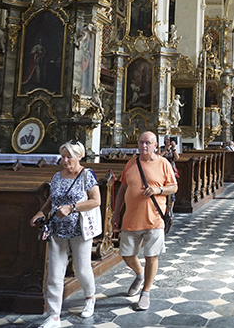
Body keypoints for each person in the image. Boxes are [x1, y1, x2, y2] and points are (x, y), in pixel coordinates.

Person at [29, 140, 100, 327]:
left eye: (69, 156)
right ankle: (54, 316)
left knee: (82, 268)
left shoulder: (87, 175)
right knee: (54, 273)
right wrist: (41, 211)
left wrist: (72, 208)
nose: (65, 160)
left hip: (79, 230)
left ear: (79, 156)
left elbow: (96, 201)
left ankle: (90, 298)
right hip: (57, 229)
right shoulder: (58, 176)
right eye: (63, 156)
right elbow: (52, 198)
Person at [111, 131, 177, 312]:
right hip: (131, 218)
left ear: (156, 145)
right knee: (126, 254)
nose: (143, 146)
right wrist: (116, 214)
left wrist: (158, 190)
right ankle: (139, 275)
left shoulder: (163, 163)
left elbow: (174, 187)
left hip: (154, 219)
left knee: (151, 256)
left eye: (148, 143)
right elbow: (122, 189)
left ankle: (146, 292)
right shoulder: (131, 163)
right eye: (141, 142)